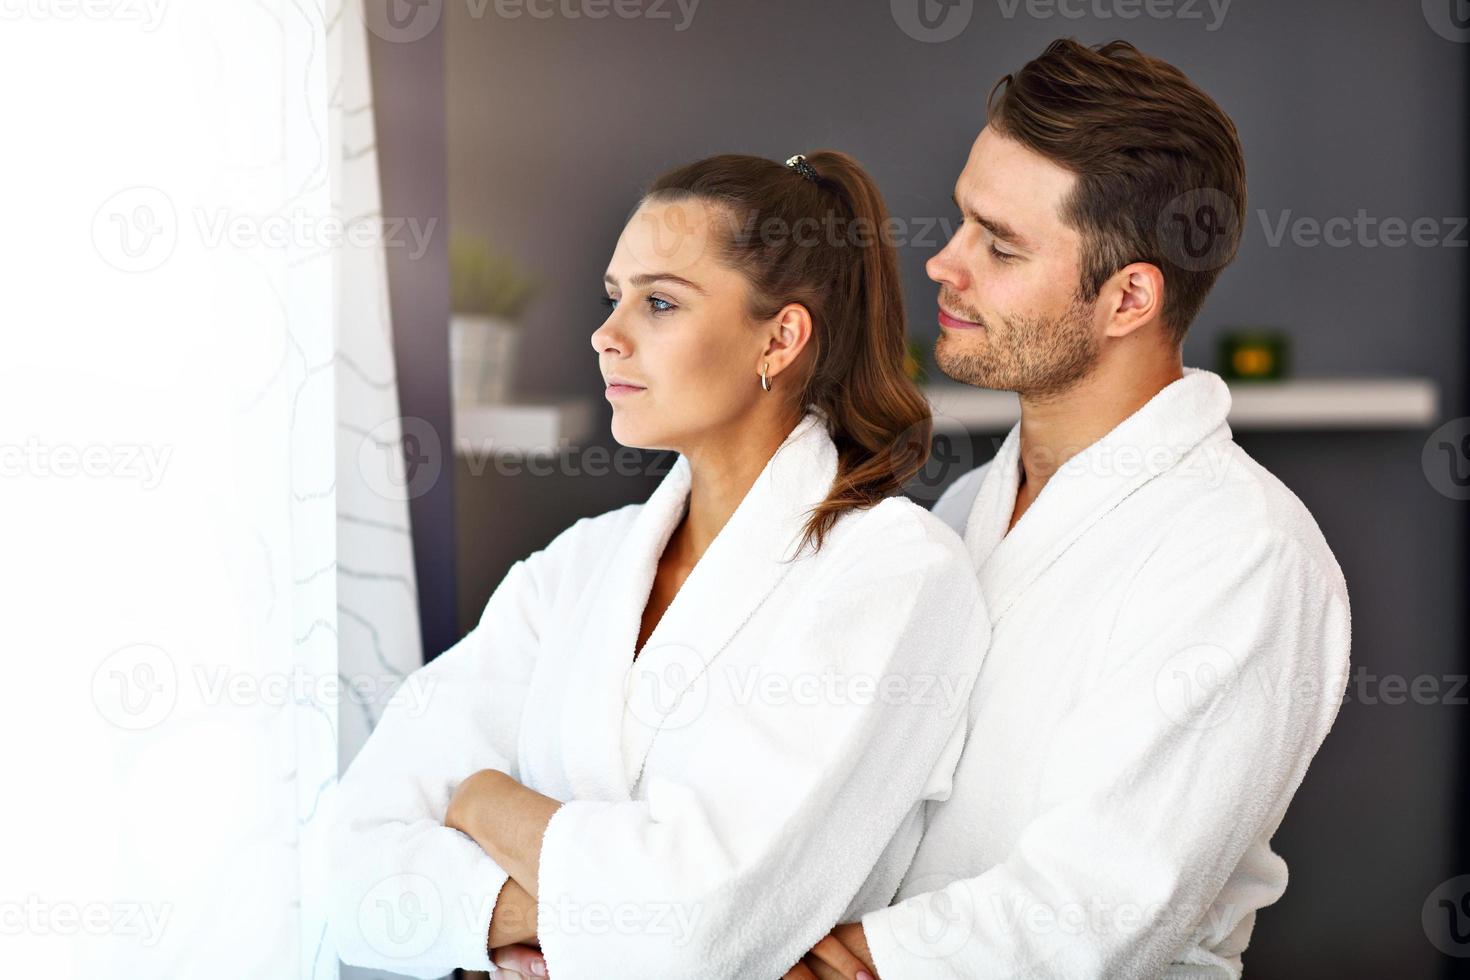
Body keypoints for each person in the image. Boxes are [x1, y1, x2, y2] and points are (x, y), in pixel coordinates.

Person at [323, 150, 990, 979]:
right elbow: (341, 871)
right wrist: (611, 918)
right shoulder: (574, 569)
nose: (607, 335)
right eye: (615, 297)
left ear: (780, 338)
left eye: (661, 302)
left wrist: (480, 800)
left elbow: (694, 929)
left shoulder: (893, 575)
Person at [789, 38, 1351, 980]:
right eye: (965, 221)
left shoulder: (1244, 555)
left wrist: (790, 964)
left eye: (1000, 245)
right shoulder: (971, 506)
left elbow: (1092, 909)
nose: (942, 264)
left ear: (1129, 296)